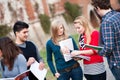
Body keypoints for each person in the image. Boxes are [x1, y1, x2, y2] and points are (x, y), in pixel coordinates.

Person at [69, 16, 106, 80]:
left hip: (96, 69)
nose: (77, 30)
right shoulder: (81, 36)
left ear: (85, 24)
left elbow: (94, 50)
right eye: (76, 28)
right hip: (87, 70)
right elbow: (84, 53)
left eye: (78, 28)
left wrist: (78, 52)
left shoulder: (94, 33)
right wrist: (78, 57)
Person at [91, 0, 120, 80]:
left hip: (117, 63)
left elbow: (109, 47)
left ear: (97, 8)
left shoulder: (106, 22)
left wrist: (99, 52)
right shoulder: (118, 15)